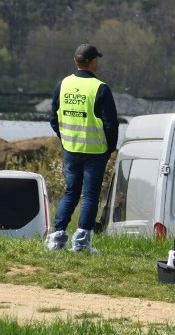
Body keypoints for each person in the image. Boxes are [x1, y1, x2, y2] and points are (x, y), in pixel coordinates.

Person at [45, 44, 119, 253]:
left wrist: (65, 139)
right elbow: (111, 124)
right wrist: (110, 148)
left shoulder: (63, 85)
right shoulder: (100, 88)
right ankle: (82, 243)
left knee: (70, 192)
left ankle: (57, 239)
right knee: (90, 196)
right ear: (93, 62)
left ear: (75, 61)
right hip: (95, 152)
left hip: (71, 148)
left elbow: (53, 119)